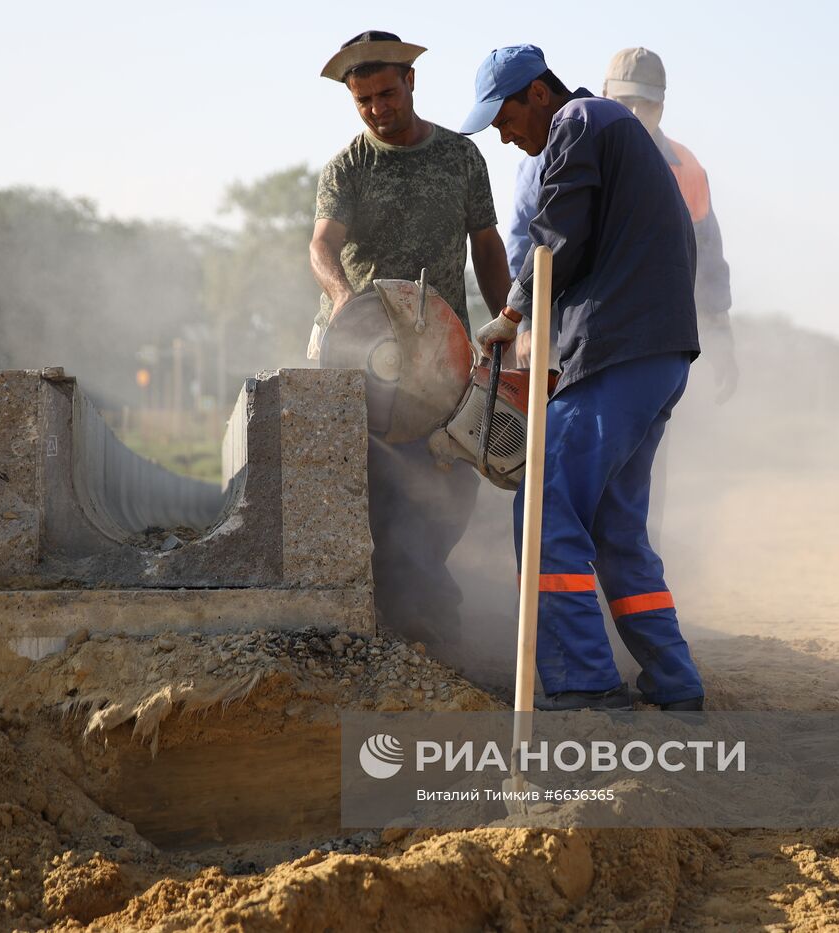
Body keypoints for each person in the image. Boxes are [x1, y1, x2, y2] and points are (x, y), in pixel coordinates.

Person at [460, 44, 704, 711]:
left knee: (542, 507)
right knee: (618, 529)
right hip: (659, 357)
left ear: (539, 94)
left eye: (505, 119)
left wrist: (510, 314)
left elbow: (554, 239)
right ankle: (675, 683)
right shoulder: (618, 135)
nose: (506, 137)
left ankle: (585, 685)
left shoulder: (579, 124)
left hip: (620, 353)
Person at [310, 30, 512, 647]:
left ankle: (424, 604)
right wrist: (342, 297)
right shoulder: (348, 166)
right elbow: (321, 244)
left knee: (448, 474)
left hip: (439, 356)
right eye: (364, 99)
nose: (378, 108)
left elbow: (486, 243)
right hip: (363, 357)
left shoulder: (459, 158)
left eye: (386, 93)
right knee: (372, 481)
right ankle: (400, 611)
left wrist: (509, 319)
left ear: (411, 83)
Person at [505, 48, 737, 402]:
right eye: (626, 100)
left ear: (662, 104)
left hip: (657, 340)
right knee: (560, 441)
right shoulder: (555, 147)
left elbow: (707, 256)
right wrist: (527, 322)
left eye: (647, 104)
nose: (635, 112)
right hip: (576, 335)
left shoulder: (686, 168)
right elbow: (532, 241)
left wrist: (720, 333)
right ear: (605, 93)